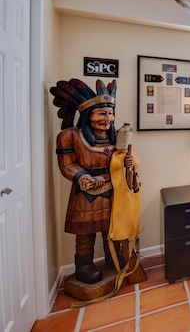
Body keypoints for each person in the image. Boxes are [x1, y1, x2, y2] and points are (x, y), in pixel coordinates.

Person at [50, 78, 135, 284]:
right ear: (88, 114)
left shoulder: (116, 138)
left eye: (110, 113)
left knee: (112, 229)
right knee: (86, 233)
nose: (108, 118)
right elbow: (67, 164)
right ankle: (84, 264)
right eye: (102, 113)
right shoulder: (70, 136)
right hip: (86, 194)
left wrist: (129, 162)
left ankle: (113, 258)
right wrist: (83, 177)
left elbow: (119, 160)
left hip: (111, 190)